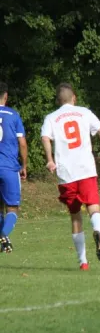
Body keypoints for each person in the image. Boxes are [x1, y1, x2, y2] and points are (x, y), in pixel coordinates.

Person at [41, 83, 100, 270]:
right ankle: (98, 231)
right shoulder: (84, 112)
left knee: (75, 217)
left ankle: (83, 262)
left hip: (67, 174)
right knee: (94, 210)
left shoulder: (51, 118)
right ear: (73, 97)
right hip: (86, 170)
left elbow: (45, 137)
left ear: (59, 100)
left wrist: (50, 159)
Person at [0, 82, 28, 252]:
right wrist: (24, 165)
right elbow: (22, 143)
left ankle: (4, 242)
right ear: (6, 96)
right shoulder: (13, 115)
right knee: (12, 207)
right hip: (8, 167)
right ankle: (2, 235)